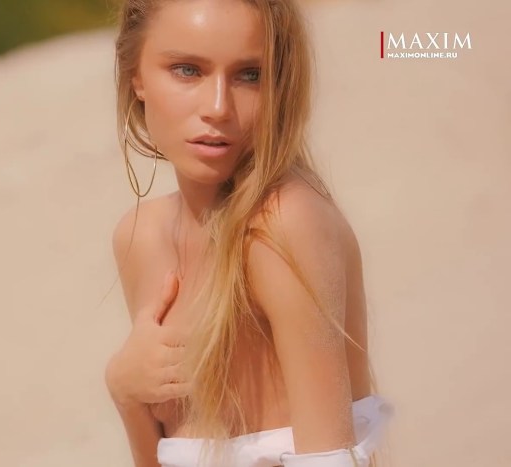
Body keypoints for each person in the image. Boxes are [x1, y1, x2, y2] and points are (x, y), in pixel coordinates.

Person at [102, 0, 394, 466]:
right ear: (135, 76)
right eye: (187, 70)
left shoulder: (283, 225)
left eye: (250, 75)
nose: (218, 107)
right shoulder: (139, 238)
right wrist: (126, 395)